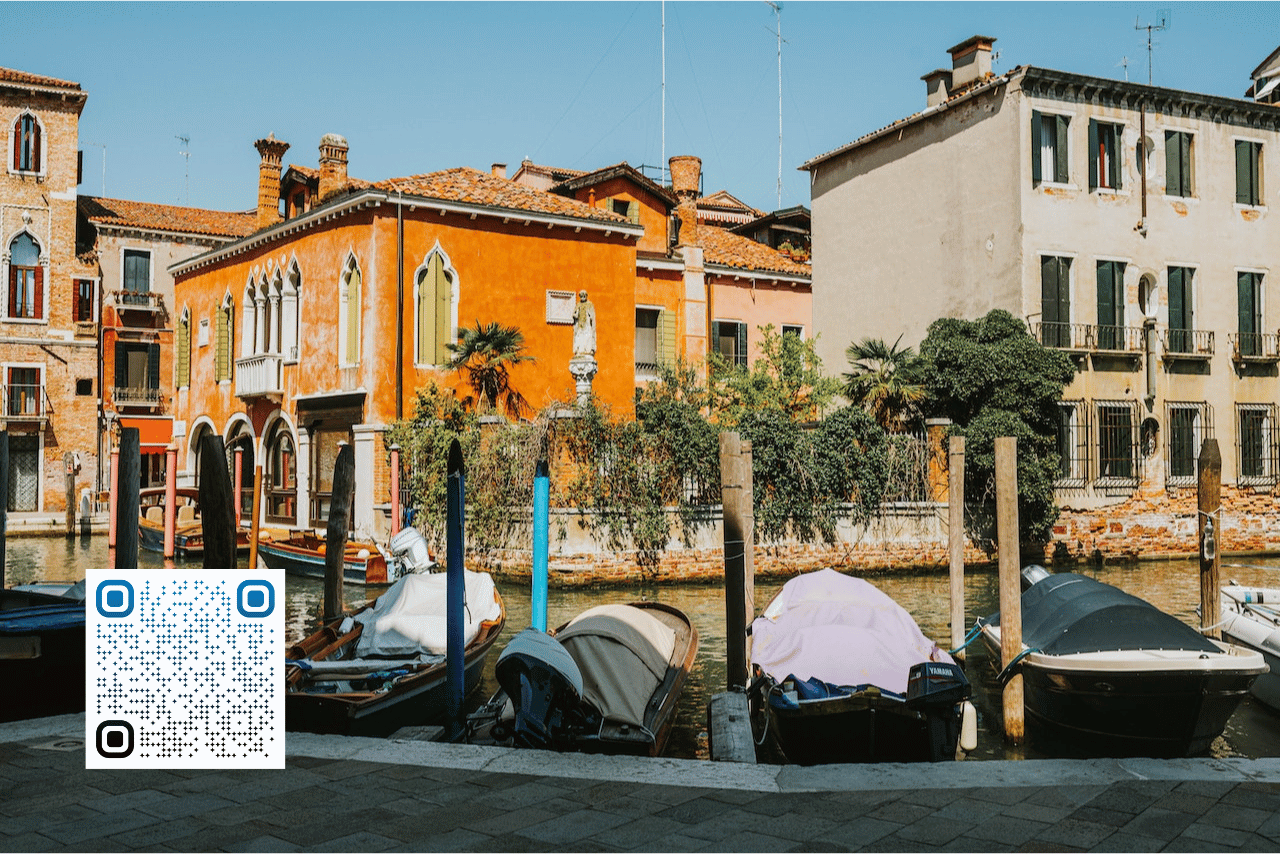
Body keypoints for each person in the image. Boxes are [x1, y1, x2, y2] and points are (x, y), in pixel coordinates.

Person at [571, 289, 596, 357]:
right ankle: (580, 351)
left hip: (587, 324)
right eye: (581, 295)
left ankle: (587, 350)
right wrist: (575, 315)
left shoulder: (590, 304)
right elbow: (574, 314)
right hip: (580, 325)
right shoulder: (578, 305)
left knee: (588, 336)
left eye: (584, 295)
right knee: (580, 337)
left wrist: (590, 315)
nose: (583, 297)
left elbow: (592, 316)